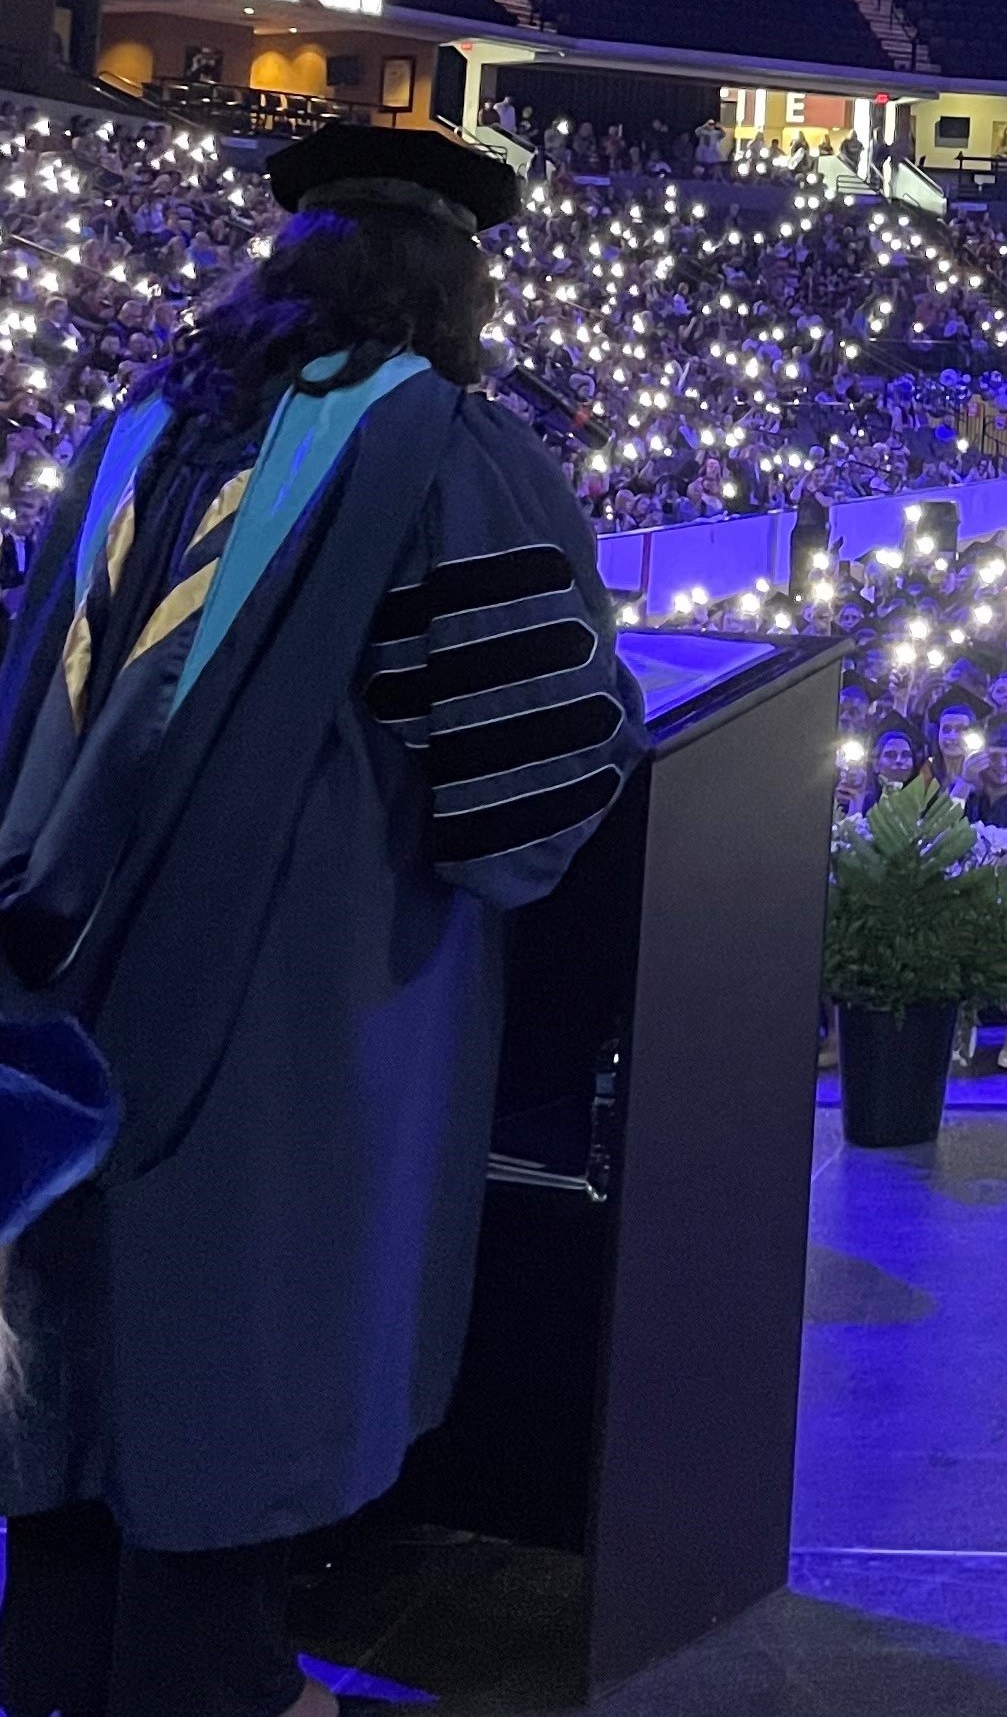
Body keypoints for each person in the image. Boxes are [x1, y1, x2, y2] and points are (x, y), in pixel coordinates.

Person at [0, 126, 642, 1717]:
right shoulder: (445, 451)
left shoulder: (135, 432)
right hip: (288, 1013)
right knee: (228, 1371)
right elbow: (524, 787)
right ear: (455, 288)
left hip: (55, 990)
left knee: (74, 1403)